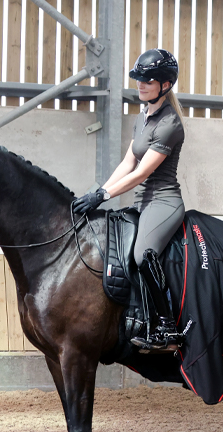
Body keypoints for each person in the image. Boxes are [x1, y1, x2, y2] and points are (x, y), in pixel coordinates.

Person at [73, 48, 185, 352]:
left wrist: (105, 195)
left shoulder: (170, 124)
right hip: (142, 199)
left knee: (142, 254)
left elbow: (141, 173)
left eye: (147, 80)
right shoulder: (144, 116)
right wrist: (97, 192)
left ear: (164, 84)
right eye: (138, 79)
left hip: (164, 201)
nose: (140, 85)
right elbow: (128, 163)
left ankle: (167, 328)